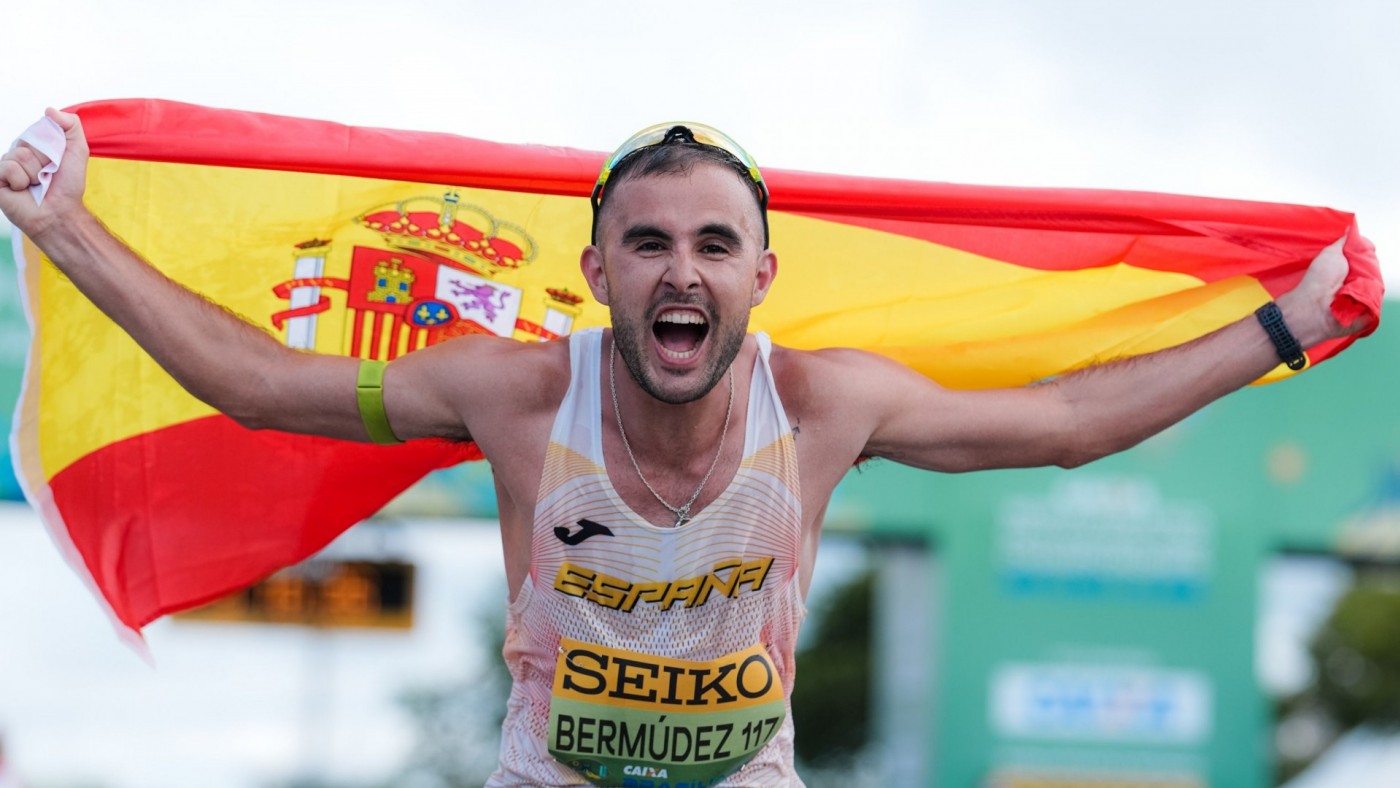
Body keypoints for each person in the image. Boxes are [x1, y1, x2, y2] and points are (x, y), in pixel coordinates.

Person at [0, 109, 1367, 786]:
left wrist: (1284, 327)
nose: (682, 271)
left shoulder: (823, 405)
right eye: (648, 243)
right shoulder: (518, 395)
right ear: (598, 271)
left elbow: (1067, 426)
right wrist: (65, 228)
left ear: (762, 275)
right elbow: (259, 385)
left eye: (715, 245)